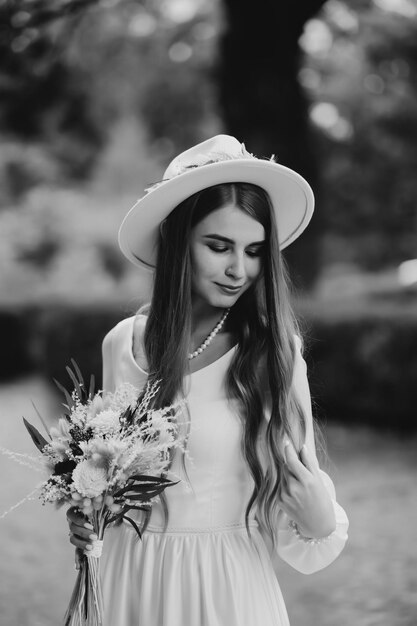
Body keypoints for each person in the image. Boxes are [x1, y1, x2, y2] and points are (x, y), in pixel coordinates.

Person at [67, 134, 349, 626]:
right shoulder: (120, 344)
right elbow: (111, 474)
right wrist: (89, 508)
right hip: (128, 581)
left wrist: (319, 516)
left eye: (255, 250)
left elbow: (305, 512)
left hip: (224, 589)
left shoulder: (272, 352)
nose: (239, 269)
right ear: (179, 242)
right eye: (219, 246)